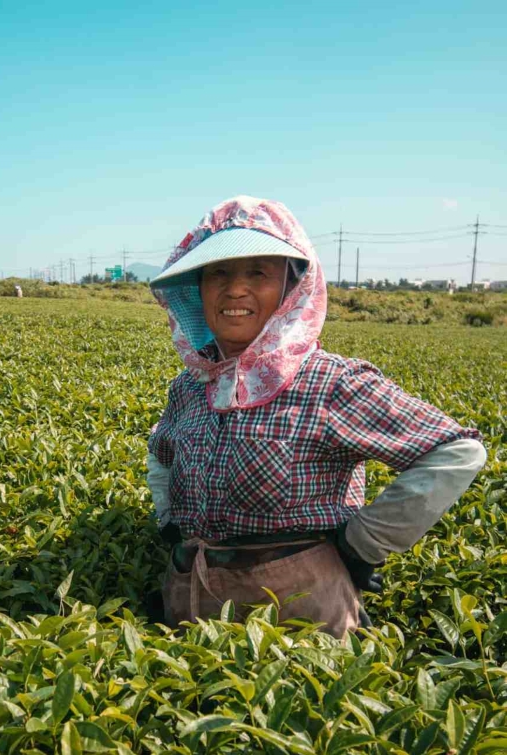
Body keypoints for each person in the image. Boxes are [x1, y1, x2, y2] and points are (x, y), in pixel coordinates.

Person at [146, 196, 486, 638]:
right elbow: (161, 451)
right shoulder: (193, 385)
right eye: (218, 274)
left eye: (258, 273)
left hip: (300, 618)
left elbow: (454, 453)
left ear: (291, 287)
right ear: (198, 290)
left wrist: (363, 544)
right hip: (190, 604)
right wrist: (169, 518)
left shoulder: (329, 382)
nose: (234, 290)